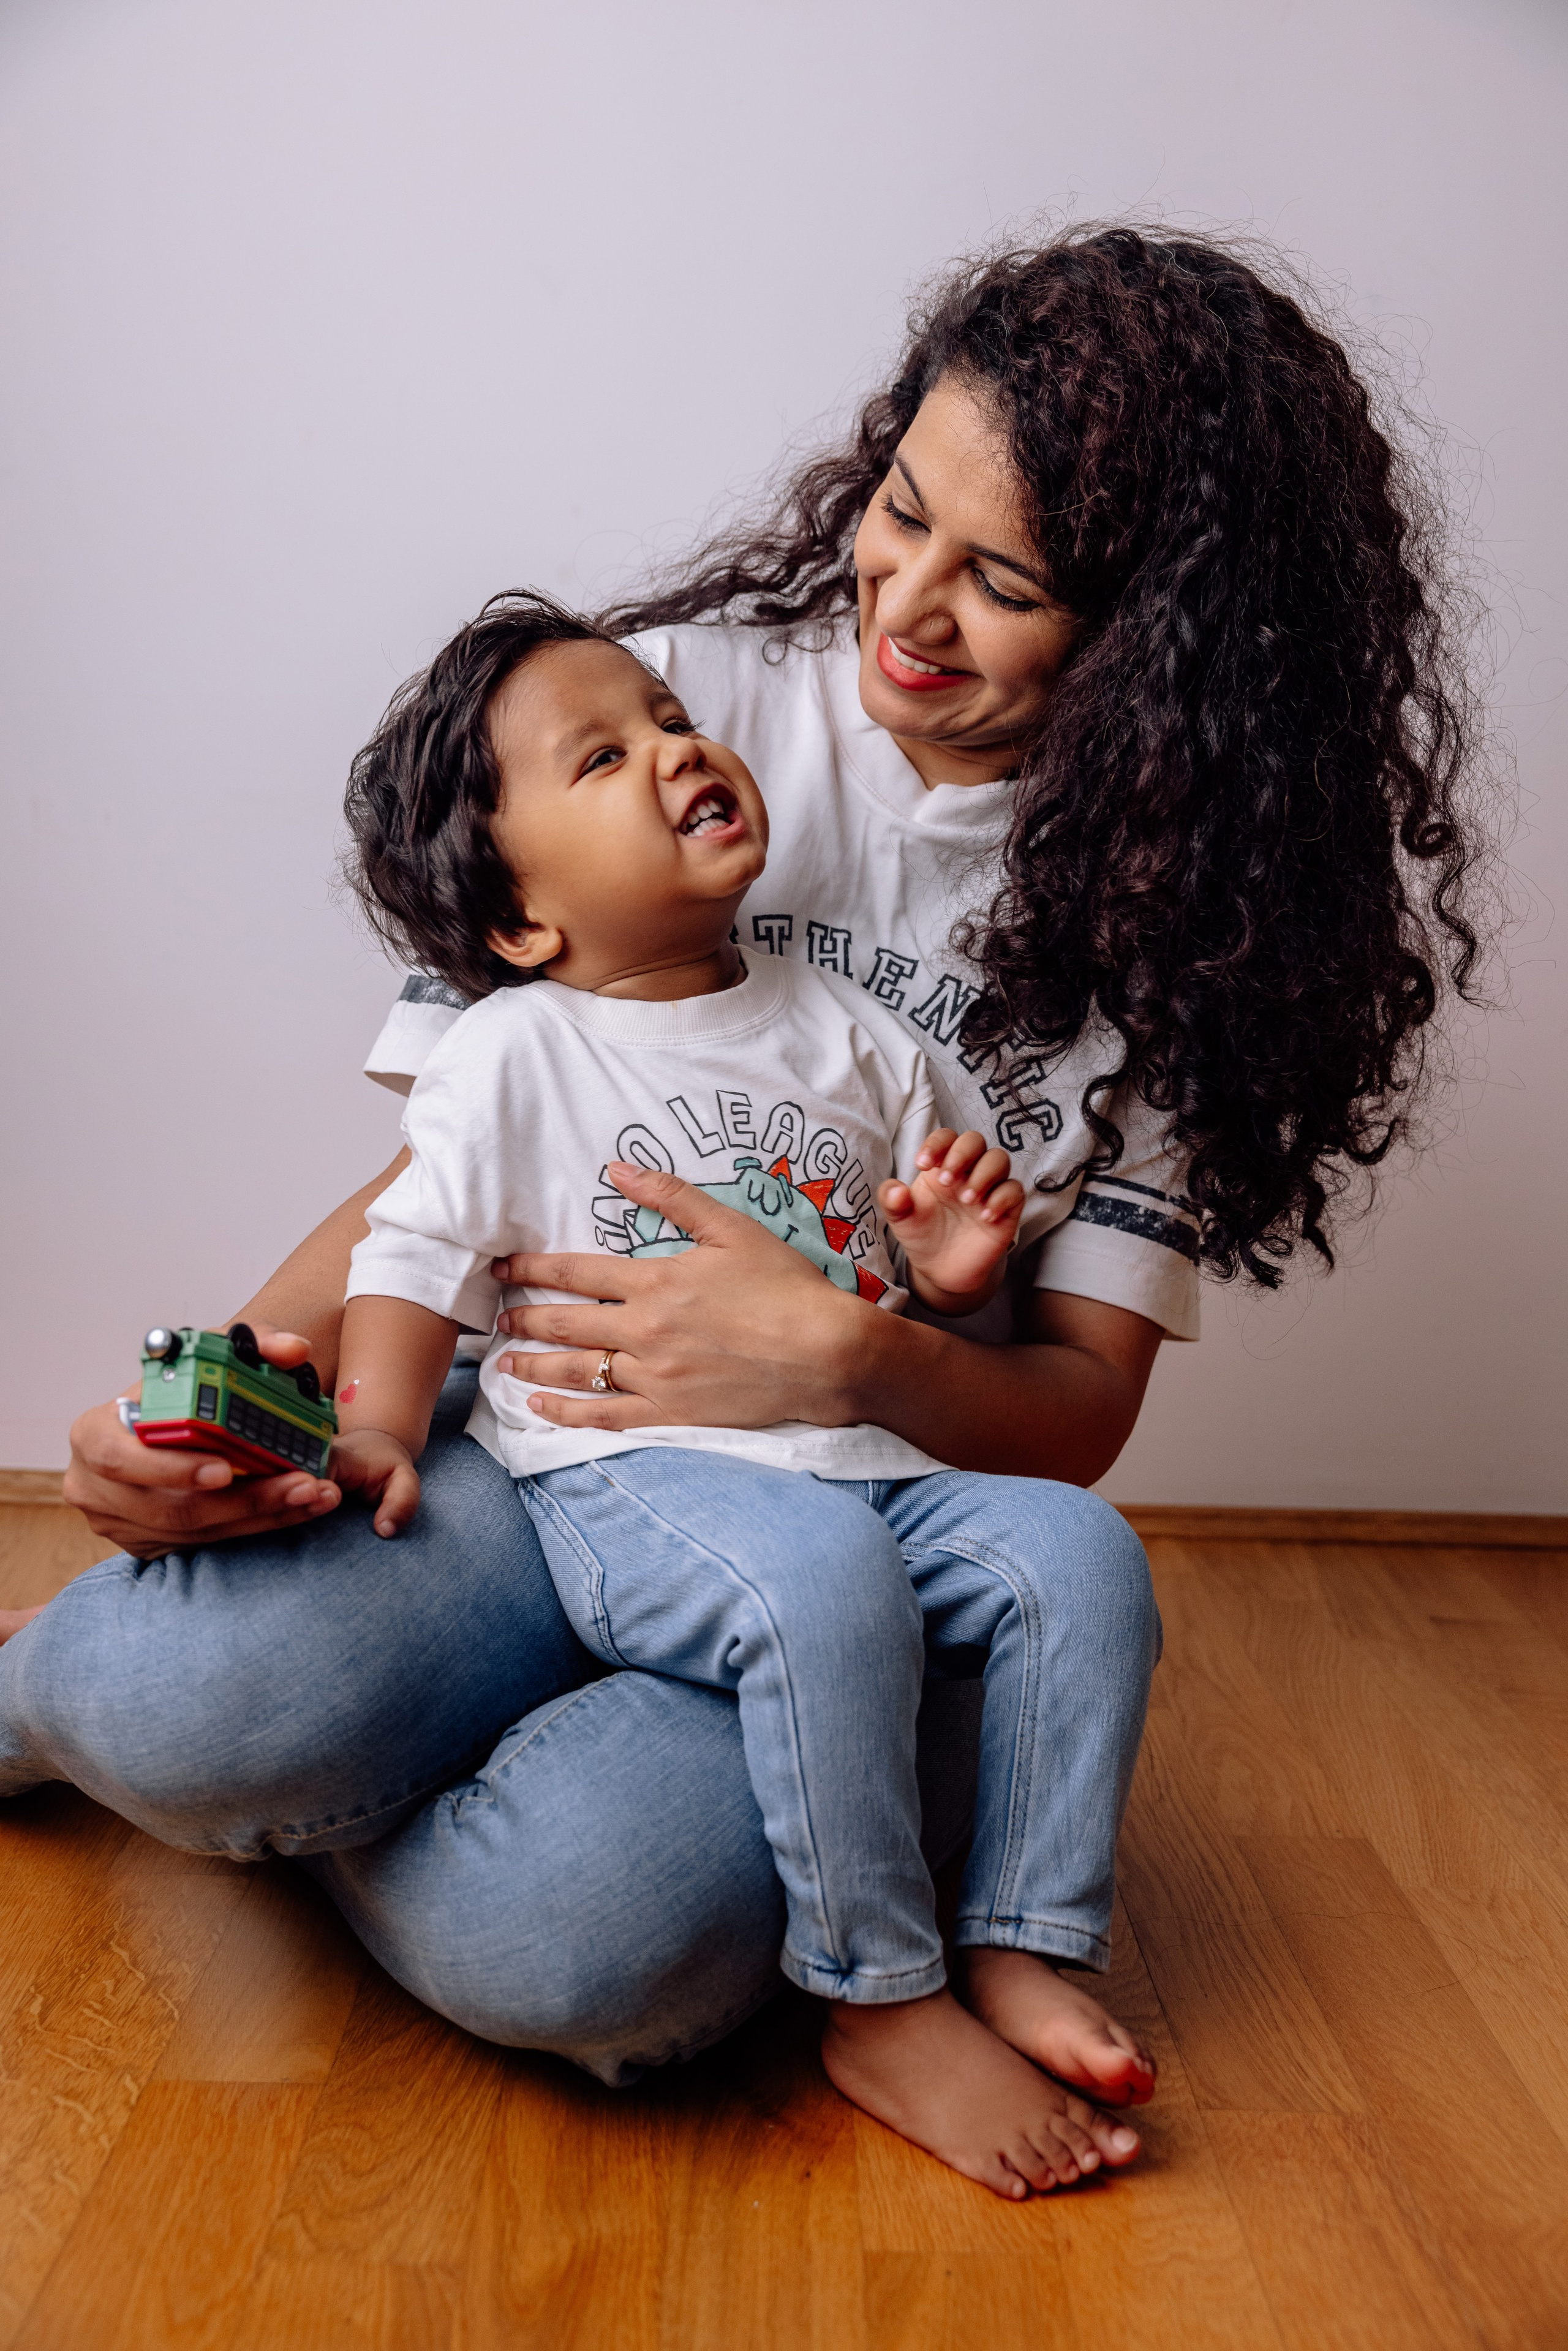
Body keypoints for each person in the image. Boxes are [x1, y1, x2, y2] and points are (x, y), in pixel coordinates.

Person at [6, 227, 1486, 2107]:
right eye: (899, 507)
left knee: (578, 1938)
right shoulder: (667, 709)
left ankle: (306, 1809)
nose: (908, 603)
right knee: (185, 1699)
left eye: (1006, 582)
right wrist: (224, 1400)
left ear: (1160, 645)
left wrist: (853, 1351)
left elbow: (1073, 1421)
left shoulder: (1190, 931)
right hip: (553, 1442)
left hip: (863, 1528)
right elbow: (446, 1170)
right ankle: (172, 1719)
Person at [330, 593, 1156, 2196]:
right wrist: (374, 1421)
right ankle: (881, 1999)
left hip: (858, 1457)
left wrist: (958, 1269)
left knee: (1079, 1558)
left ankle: (1017, 1939)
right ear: (521, 920)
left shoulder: (854, 1035)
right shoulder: (516, 1053)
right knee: (821, 1577)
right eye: (603, 755)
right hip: (636, 1471)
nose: (675, 750)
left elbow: (901, 1291)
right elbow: (410, 1252)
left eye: (667, 718)